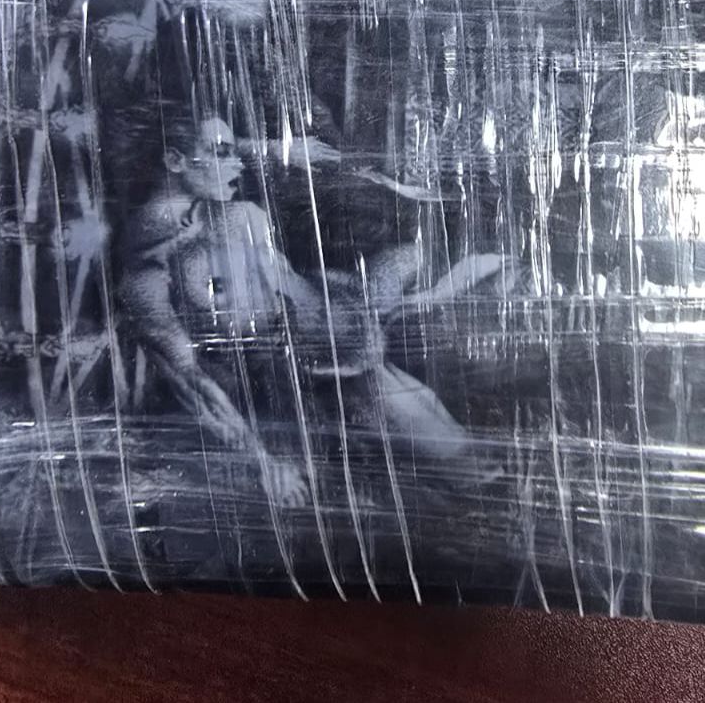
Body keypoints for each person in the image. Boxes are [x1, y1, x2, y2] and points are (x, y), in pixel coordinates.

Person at [118, 112, 508, 508]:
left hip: (334, 335)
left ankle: (475, 478)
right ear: (174, 160)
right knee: (436, 442)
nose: (238, 163)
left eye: (235, 152)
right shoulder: (148, 270)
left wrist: (276, 150)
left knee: (413, 274)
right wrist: (264, 464)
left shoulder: (236, 216)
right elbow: (191, 382)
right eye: (222, 153)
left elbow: (296, 290)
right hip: (278, 383)